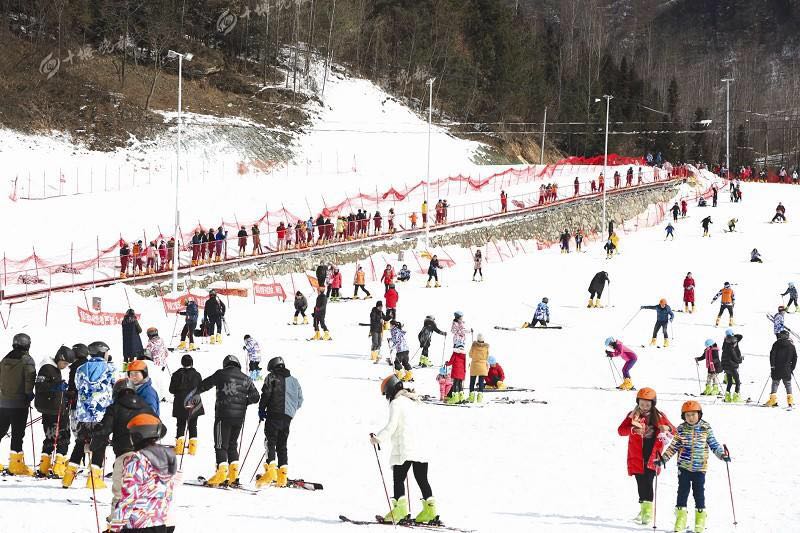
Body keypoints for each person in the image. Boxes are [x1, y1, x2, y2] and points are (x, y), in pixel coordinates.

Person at [655, 401, 730, 533]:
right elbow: (673, 446)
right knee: (682, 492)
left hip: (700, 468)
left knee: (698, 493)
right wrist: (663, 459)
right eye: (687, 415)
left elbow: (713, 444)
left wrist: (722, 455)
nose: (690, 418)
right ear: (683, 416)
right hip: (683, 467)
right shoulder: (681, 429)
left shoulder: (705, 428)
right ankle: (681, 519)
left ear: (699, 414)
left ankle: (700, 520)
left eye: (693, 414)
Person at [371, 375, 437, 524]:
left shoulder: (396, 403)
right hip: (422, 446)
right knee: (422, 479)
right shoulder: (414, 400)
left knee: (398, 478)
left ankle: (399, 511)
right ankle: (430, 512)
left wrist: (378, 438)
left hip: (406, 446)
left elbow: (392, 426)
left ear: (390, 390)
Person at [92, 378, 156, 524]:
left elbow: (104, 430)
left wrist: (94, 444)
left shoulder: (114, 407)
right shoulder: (145, 406)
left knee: (120, 493)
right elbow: (160, 427)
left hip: (124, 455)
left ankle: (116, 523)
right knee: (142, 492)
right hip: (146, 456)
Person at [197, 355, 260, 486]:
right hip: (239, 418)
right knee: (232, 444)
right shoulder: (246, 378)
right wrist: (244, 402)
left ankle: (221, 474)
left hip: (223, 415)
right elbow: (256, 397)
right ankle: (233, 476)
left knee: (221, 445)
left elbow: (204, 385)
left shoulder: (221, 374)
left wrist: (193, 392)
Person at [108, 413, 176, 533]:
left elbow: (128, 498)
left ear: (138, 435)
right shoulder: (167, 457)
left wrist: (115, 528)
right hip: (159, 523)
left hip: (136, 524)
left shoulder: (137, 460)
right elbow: (168, 494)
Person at [617, 388, 675, 526]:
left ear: (653, 404)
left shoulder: (659, 416)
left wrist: (667, 428)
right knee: (640, 482)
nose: (644, 407)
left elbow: (674, 430)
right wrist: (632, 430)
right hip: (637, 455)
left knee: (648, 481)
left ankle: (648, 511)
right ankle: (643, 508)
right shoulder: (632, 416)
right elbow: (621, 430)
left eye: (647, 405)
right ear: (638, 402)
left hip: (653, 455)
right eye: (642, 404)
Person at [63, 341, 116, 489]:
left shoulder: (81, 368)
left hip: (83, 413)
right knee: (100, 444)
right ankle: (93, 479)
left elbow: (78, 386)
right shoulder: (110, 368)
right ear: (102, 352)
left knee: (80, 443)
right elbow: (116, 387)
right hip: (102, 414)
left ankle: (68, 477)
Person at [255, 356, 304, 488]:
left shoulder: (271, 377)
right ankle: (282, 477)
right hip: (287, 418)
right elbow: (300, 400)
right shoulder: (294, 381)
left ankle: (271, 471)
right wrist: (290, 411)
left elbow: (266, 394)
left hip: (273, 415)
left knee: (270, 441)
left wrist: (261, 409)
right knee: (282, 445)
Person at [34, 345, 75, 477]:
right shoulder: (47, 367)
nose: (65, 366)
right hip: (54, 410)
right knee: (63, 436)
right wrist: (57, 386)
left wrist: (66, 393)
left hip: (51, 408)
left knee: (50, 437)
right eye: (65, 363)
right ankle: (59, 467)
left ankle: (44, 466)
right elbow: (40, 386)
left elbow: (53, 389)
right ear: (59, 358)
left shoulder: (53, 368)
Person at [0, 333, 36, 475]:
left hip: (2, 402)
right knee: (17, 434)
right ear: (27, 344)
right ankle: (16, 465)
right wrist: (29, 394)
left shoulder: (5, 359)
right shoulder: (27, 360)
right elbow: (29, 379)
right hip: (19, 404)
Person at [169, 354, 204, 456]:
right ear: (192, 363)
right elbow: (201, 388)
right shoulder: (197, 375)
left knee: (180, 425)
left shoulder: (176, 374)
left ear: (182, 363)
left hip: (180, 402)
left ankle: (179, 448)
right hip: (194, 402)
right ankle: (192, 449)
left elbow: (171, 390)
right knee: (193, 425)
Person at [765, 330, 797, 407]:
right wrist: (792, 368)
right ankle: (790, 401)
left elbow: (772, 355)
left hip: (777, 368)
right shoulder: (791, 345)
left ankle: (773, 400)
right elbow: (795, 358)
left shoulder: (776, 344)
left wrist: (772, 366)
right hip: (787, 368)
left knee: (775, 383)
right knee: (788, 384)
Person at [721, 329, 744, 403]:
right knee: (737, 382)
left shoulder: (725, 345)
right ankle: (736, 397)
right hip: (732, 367)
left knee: (730, 382)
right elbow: (736, 359)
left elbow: (740, 337)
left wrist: (732, 336)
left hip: (726, 367)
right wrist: (740, 359)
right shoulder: (732, 349)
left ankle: (727, 397)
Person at [468, 333, 489, 403]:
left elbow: (470, 355)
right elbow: (487, 357)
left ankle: (471, 397)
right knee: (481, 382)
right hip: (482, 366)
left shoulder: (474, 346)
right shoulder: (486, 347)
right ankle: (479, 397)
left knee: (472, 382)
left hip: (474, 365)